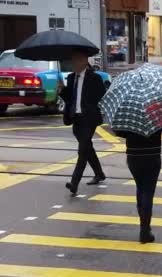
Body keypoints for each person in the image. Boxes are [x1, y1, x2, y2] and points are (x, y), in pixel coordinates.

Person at [115, 125, 162, 243]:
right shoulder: (157, 109)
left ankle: (144, 226)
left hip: (133, 155)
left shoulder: (129, 110)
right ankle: (145, 230)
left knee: (140, 187)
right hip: (152, 154)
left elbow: (119, 132)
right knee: (148, 191)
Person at [59, 50, 107, 195]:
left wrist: (91, 108)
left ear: (84, 61)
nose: (72, 63)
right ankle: (99, 173)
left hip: (89, 119)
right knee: (87, 149)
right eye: (72, 60)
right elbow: (70, 98)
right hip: (76, 118)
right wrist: (62, 91)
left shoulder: (95, 78)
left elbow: (101, 98)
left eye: (75, 60)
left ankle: (74, 183)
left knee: (82, 151)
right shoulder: (72, 77)